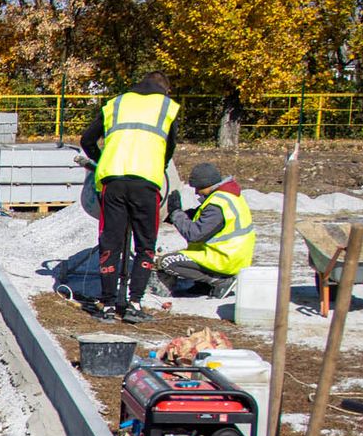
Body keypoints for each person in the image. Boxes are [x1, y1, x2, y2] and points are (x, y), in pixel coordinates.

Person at [79, 70, 179, 324]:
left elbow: (87, 139)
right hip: (146, 184)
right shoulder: (166, 107)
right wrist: (159, 164)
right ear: (165, 89)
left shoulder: (116, 104)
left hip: (113, 183)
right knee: (145, 245)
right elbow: (169, 147)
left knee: (110, 243)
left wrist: (103, 160)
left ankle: (108, 305)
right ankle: (134, 303)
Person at [154, 162, 256, 299]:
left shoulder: (217, 204)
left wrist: (176, 214)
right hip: (233, 256)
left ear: (206, 185)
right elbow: (201, 218)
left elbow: (194, 234)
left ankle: (220, 281)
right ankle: (205, 284)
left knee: (167, 262)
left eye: (197, 188)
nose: (196, 192)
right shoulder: (227, 195)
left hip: (224, 259)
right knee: (190, 254)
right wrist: (176, 216)